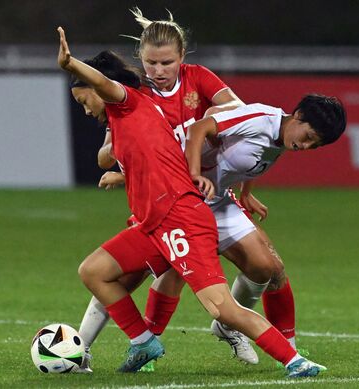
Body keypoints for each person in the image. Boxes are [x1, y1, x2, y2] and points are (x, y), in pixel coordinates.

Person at [57, 26, 327, 378]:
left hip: (180, 216)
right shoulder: (134, 112)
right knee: (94, 272)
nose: (85, 108)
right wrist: (125, 173)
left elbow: (109, 88)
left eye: (84, 100)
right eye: (151, 62)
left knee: (222, 307)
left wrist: (70, 64)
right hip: (154, 220)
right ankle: (142, 342)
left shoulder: (128, 102)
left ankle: (294, 360)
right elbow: (140, 157)